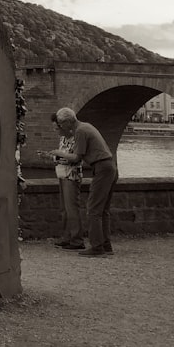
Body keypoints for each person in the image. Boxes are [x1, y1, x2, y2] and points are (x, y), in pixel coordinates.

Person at [51, 107, 118, 256]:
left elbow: (76, 158)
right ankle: (106, 245)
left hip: (102, 168)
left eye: (61, 124)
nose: (61, 127)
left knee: (93, 209)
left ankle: (97, 247)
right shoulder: (86, 126)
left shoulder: (80, 131)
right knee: (103, 210)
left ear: (68, 121)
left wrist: (58, 153)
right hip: (110, 167)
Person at [40, 112, 84, 250]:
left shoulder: (76, 138)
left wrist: (57, 155)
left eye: (57, 128)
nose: (55, 131)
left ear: (64, 126)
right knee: (64, 209)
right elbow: (62, 158)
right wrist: (49, 157)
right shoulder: (63, 139)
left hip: (71, 176)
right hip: (61, 174)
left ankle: (77, 240)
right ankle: (67, 237)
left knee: (72, 209)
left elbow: (75, 159)